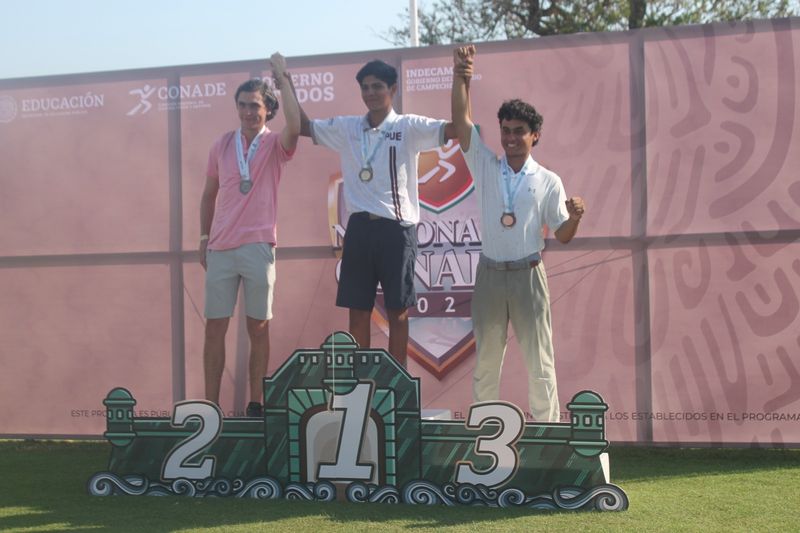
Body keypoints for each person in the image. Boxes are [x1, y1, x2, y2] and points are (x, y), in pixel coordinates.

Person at [451, 45, 585, 422]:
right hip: (490, 275)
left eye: (519, 132)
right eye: (506, 131)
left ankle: (548, 437)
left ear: (535, 135)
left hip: (529, 276)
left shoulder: (547, 180)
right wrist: (462, 73)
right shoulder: (485, 165)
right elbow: (461, 120)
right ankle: (485, 440)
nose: (510, 138)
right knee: (486, 364)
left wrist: (575, 217)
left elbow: (563, 234)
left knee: (540, 362)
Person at [296, 59, 456, 366]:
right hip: (358, 228)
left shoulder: (408, 126)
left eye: (377, 87)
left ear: (393, 90)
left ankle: (396, 385)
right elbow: (303, 127)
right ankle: (361, 384)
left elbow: (456, 128)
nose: (370, 93)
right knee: (357, 311)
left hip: (396, 229)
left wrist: (461, 78)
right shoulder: (348, 127)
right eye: (365, 88)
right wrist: (286, 82)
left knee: (398, 311)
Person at [199, 53, 300, 417]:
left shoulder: (276, 144)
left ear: (267, 109)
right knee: (214, 327)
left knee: (258, 327)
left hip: (258, 245)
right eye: (242, 105)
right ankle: (210, 406)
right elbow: (209, 195)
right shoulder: (221, 144)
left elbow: (297, 121)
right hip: (222, 246)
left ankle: (256, 402)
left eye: (254, 106)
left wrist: (283, 78)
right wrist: (202, 238)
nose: (247, 112)